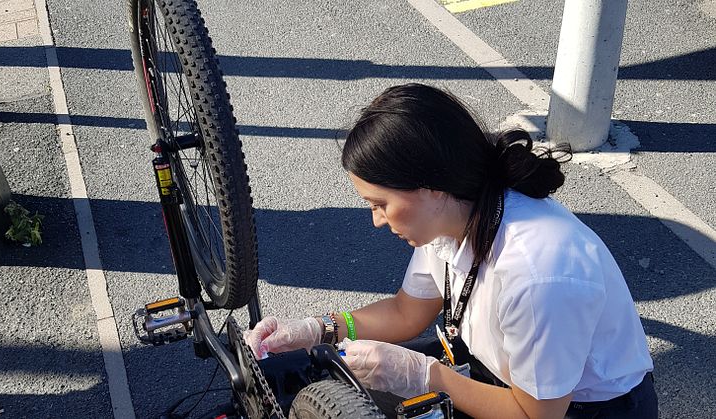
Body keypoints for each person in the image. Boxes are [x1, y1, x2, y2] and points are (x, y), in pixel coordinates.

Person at [243, 83, 657, 419]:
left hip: (584, 410)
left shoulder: (537, 273)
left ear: (430, 188)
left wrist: (425, 376)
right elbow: (407, 313)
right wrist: (318, 328)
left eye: (380, 204)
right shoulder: (456, 212)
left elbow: (536, 415)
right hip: (501, 380)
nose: (376, 221)